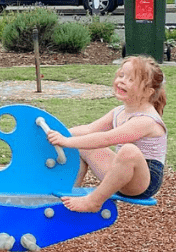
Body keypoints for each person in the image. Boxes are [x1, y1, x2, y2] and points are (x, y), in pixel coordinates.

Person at [46, 55, 167, 212]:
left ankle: (94, 202)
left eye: (131, 80)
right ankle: (67, 191)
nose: (122, 81)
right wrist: (60, 134)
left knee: (128, 151)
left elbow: (107, 138)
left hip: (143, 182)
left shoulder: (146, 120)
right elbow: (89, 129)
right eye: (121, 75)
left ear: (148, 92)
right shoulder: (119, 112)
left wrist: (66, 141)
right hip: (121, 173)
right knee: (82, 143)